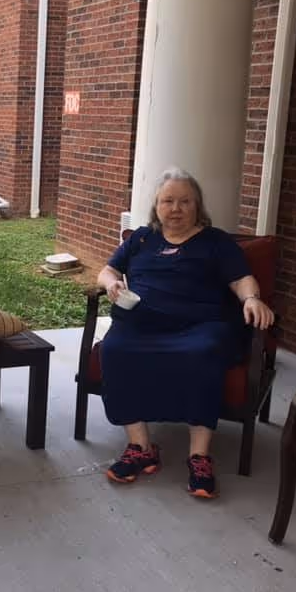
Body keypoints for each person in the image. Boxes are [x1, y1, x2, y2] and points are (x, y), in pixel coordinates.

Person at [95, 167, 274, 499]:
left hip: (200, 325)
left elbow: (241, 278)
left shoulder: (216, 242)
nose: (175, 209)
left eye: (184, 202)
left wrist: (251, 298)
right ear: (157, 206)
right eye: (168, 201)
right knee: (114, 348)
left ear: (198, 206)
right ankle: (141, 446)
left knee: (204, 353)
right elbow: (107, 270)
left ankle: (200, 456)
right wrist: (112, 284)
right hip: (143, 323)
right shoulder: (142, 239)